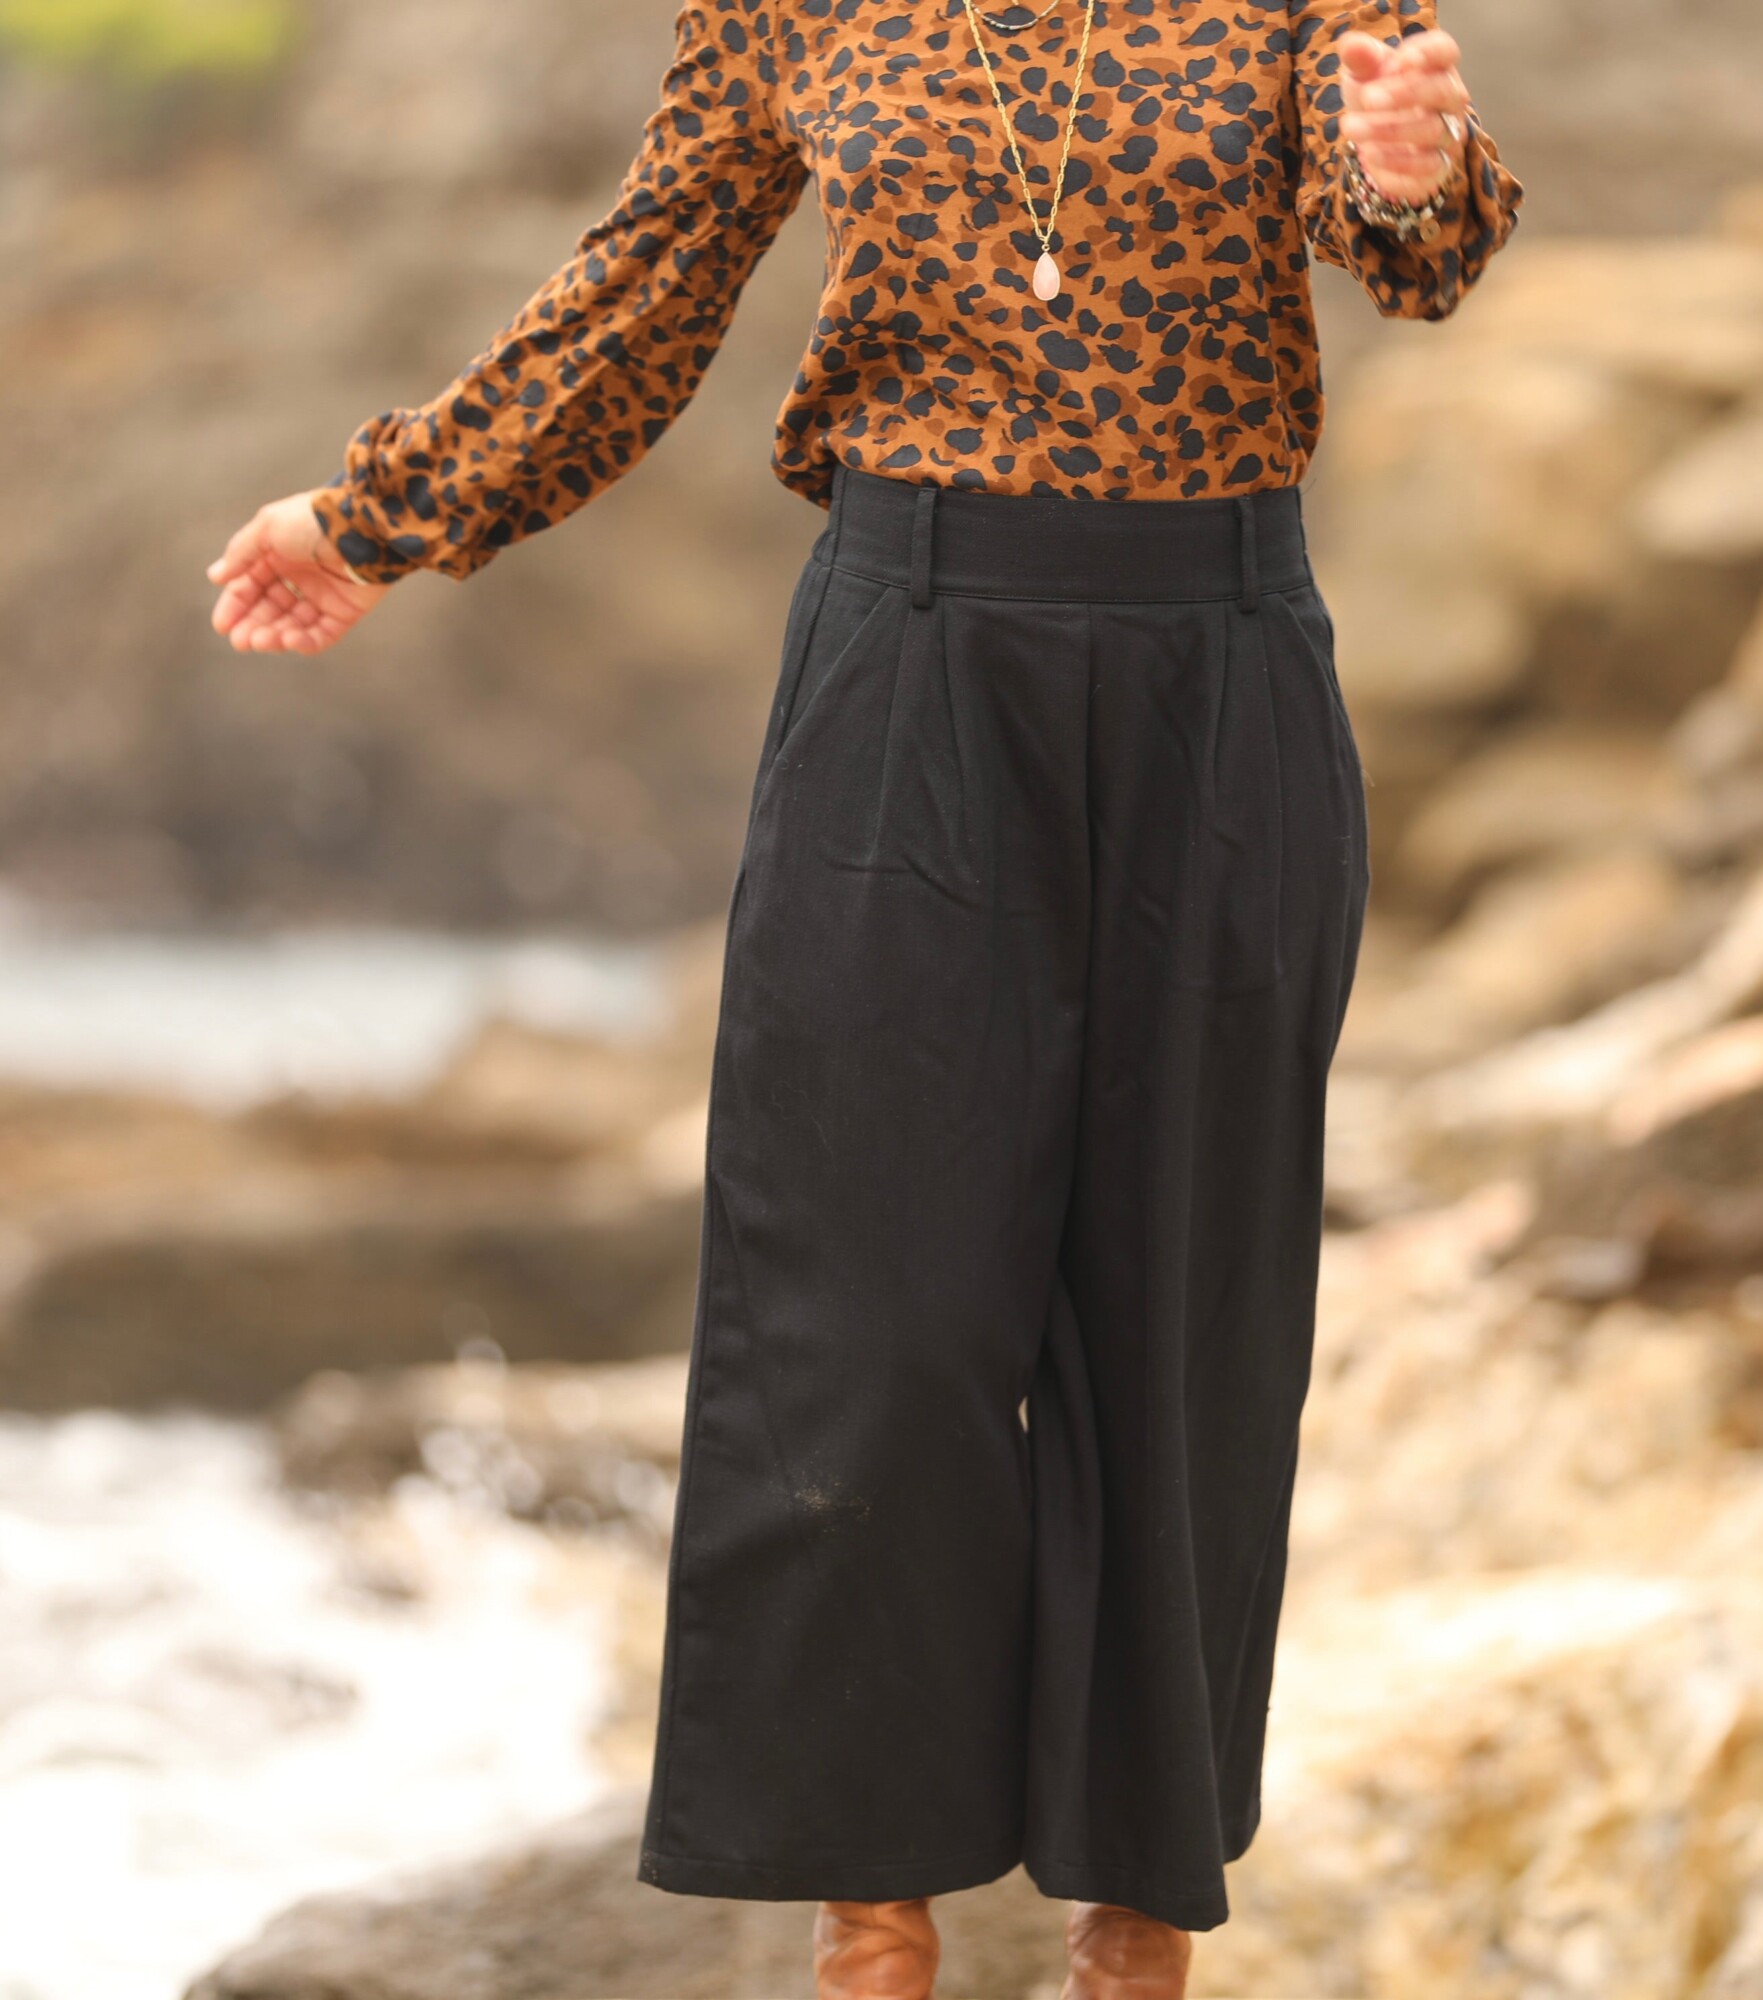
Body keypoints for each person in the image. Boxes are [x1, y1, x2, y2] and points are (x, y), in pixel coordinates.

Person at [208, 0, 1521, 1991]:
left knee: (1181, 1325)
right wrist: (381, 514)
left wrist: (1414, 168)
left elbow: (1411, 240)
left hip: (1222, 677)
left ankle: (1133, 1941)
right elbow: (643, 292)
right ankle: (872, 1932)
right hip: (910, 672)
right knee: (863, 1311)